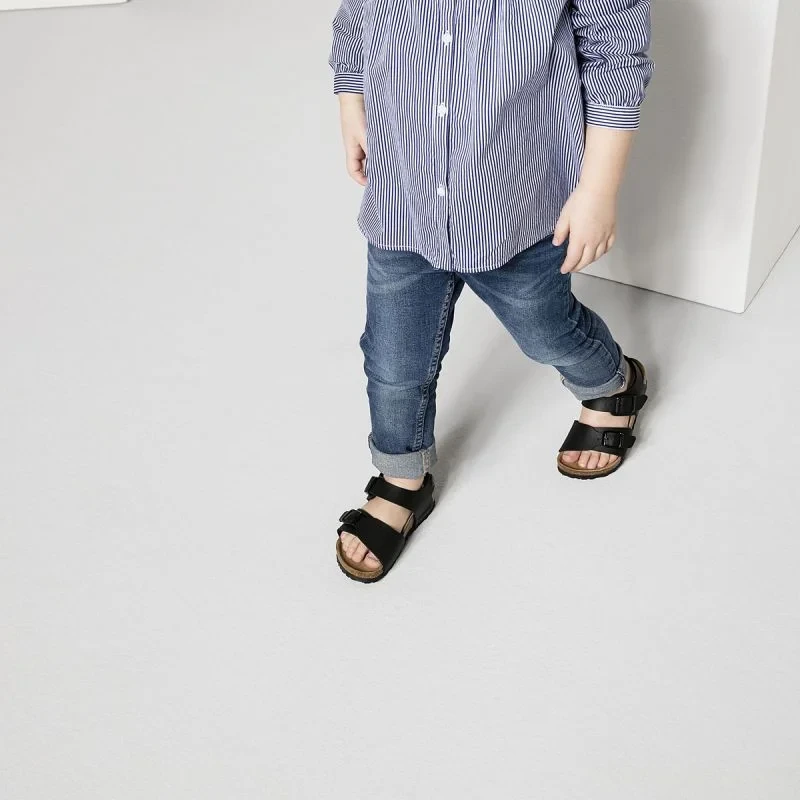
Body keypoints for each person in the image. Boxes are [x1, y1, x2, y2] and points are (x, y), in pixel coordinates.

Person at [329, 0, 654, 583]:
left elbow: (615, 52)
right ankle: (401, 475)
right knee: (392, 358)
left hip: (518, 206)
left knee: (544, 327)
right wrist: (352, 101)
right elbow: (359, 11)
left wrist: (598, 189)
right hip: (405, 197)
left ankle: (611, 381)